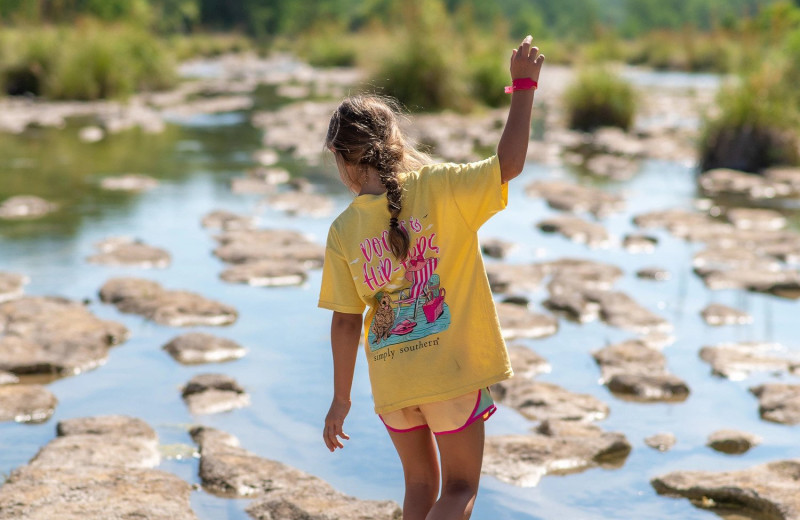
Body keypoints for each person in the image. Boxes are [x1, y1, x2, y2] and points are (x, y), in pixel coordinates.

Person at [318, 35, 544, 520]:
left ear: (342, 159)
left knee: (420, 489)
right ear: (395, 140)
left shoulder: (342, 230)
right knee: (460, 490)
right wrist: (523, 87)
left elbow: (344, 323)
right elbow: (510, 164)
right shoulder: (443, 187)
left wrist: (341, 400)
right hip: (452, 374)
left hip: (393, 380)